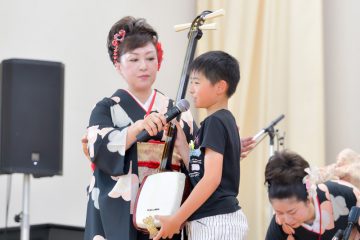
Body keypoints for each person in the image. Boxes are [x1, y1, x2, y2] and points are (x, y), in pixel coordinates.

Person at [83, 16, 196, 240]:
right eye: (133, 59)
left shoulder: (177, 111)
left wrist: (222, 148)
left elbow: (196, 159)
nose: (143, 66)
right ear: (118, 66)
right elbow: (98, 147)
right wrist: (137, 128)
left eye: (150, 58)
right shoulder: (106, 109)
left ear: (158, 61)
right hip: (120, 212)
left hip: (167, 212)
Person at [153, 51, 249, 240]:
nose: (191, 89)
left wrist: (177, 218)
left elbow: (211, 180)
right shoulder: (222, 121)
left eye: (197, 82)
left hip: (215, 221)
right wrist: (181, 144)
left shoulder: (214, 122)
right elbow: (201, 173)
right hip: (215, 220)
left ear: (220, 86)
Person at [264, 150, 360, 240]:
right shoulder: (280, 225)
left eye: (292, 212)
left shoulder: (345, 194)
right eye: (279, 212)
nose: (287, 220)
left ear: (308, 197)